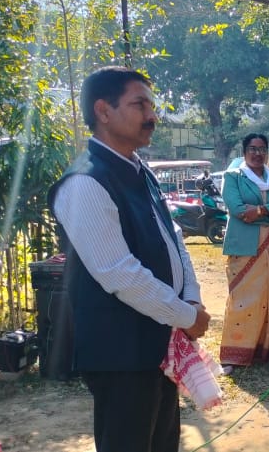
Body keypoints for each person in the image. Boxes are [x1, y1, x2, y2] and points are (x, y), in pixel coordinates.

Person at [48, 67, 211, 452]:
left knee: (162, 442)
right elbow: (118, 273)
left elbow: (173, 240)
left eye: (151, 105)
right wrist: (185, 316)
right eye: (139, 105)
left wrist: (191, 297)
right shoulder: (85, 182)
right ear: (103, 111)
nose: (151, 116)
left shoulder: (141, 172)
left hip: (157, 343)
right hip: (119, 352)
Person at [218, 133, 269, 372]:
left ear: (267, 152)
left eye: (261, 149)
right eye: (252, 148)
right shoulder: (233, 177)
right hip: (245, 245)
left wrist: (258, 209)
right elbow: (237, 209)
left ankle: (266, 350)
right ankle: (234, 354)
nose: (257, 153)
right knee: (242, 298)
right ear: (244, 151)